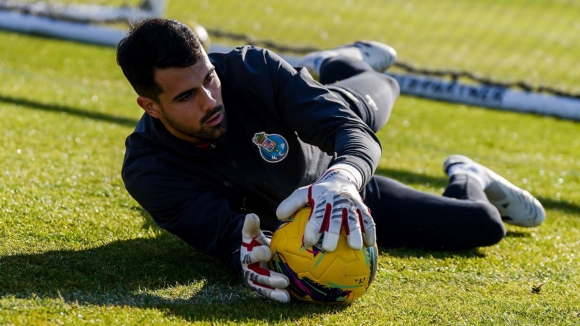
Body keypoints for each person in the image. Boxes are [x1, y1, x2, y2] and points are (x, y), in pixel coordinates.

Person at [116, 18, 545, 303]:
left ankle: (345, 60)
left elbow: (353, 136)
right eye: (187, 96)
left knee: (376, 96)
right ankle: (467, 173)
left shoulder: (252, 70)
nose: (211, 100)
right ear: (151, 106)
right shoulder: (147, 168)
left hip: (337, 185)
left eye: (209, 77)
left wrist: (341, 180)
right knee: (483, 225)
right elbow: (224, 237)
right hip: (309, 221)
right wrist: (247, 252)